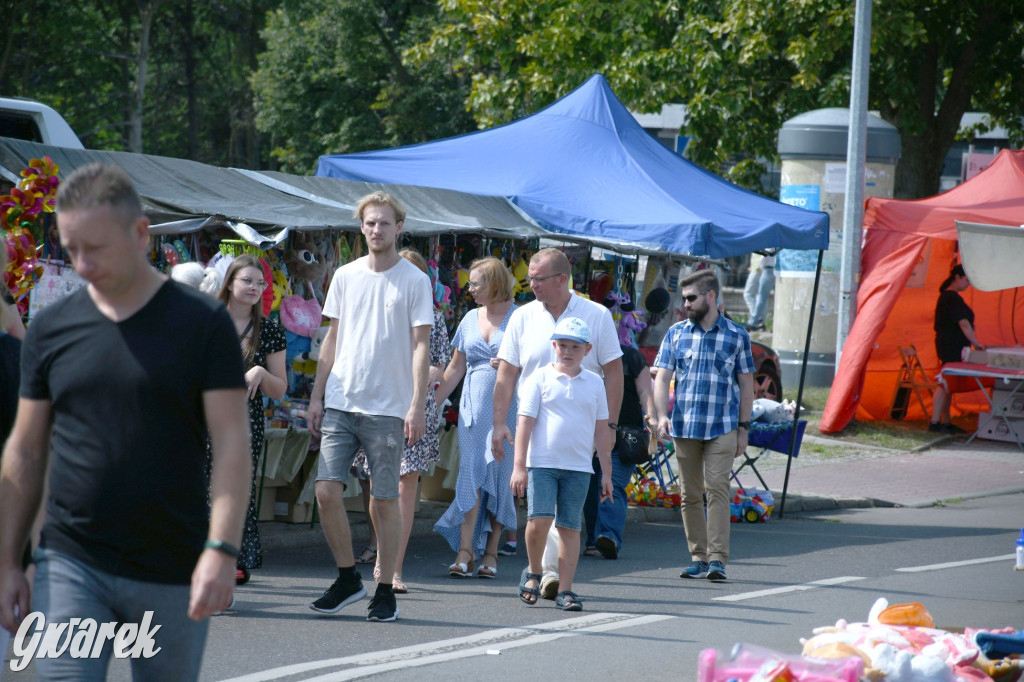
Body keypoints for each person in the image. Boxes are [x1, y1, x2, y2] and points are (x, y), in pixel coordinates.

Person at [0, 163, 251, 680]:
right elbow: (25, 451)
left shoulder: (202, 324)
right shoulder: (51, 328)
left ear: (140, 234)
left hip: (170, 566)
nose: (82, 263)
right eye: (71, 249)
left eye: (96, 247)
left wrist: (222, 549)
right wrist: (8, 559)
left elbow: (231, 443)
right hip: (70, 562)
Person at [306, 191, 432, 623]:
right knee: (326, 490)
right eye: (369, 223)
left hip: (387, 407)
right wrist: (317, 396)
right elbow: (332, 339)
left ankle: (384, 589)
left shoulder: (415, 280)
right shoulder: (344, 275)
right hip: (342, 399)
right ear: (361, 227)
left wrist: (417, 404)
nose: (376, 229)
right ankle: (347, 578)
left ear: (399, 227)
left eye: (384, 222)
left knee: (384, 500)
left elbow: (421, 346)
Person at [492, 247, 622, 600]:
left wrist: (608, 427)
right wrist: (499, 421)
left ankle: (553, 577)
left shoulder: (596, 314)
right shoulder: (523, 317)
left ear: (562, 279)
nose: (530, 284)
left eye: (538, 278)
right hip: (533, 429)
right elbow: (506, 371)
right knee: (540, 514)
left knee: (567, 518)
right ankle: (544, 572)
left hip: (579, 429)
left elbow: (613, 370)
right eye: (530, 277)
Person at [353, 248, 450, 593]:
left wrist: (421, 381)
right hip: (376, 402)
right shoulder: (374, 308)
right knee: (379, 481)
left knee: (405, 484)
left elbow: (441, 363)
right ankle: (381, 552)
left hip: (415, 405)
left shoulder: (433, 317)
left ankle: (393, 566)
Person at [653, 269, 754, 582]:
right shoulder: (676, 333)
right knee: (689, 494)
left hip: (722, 426)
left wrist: (743, 428)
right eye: (684, 299)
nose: (686, 304)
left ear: (711, 296)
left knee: (718, 490)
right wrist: (660, 415)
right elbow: (662, 378)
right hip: (684, 425)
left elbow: (747, 385)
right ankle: (697, 557)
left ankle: (717, 559)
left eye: (691, 298)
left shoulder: (737, 335)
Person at [511, 317, 612, 611]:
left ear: (587, 349)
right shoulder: (539, 378)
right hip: (542, 463)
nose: (568, 352)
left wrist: (606, 473)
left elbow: (601, 428)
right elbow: (525, 422)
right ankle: (533, 571)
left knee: (570, 527)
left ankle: (566, 590)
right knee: (538, 521)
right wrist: (519, 466)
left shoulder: (595, 382)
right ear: (554, 346)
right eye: (563, 345)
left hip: (579, 467)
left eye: (575, 347)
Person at [434, 256, 518, 579]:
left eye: (475, 283)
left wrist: (513, 365)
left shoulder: (519, 317)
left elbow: (538, 362)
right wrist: (434, 404)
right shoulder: (470, 318)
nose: (468, 289)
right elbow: (455, 368)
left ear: (494, 282)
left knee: (499, 475)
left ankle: (493, 550)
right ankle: (465, 551)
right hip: (472, 409)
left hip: (509, 406)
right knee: (470, 473)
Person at [214, 254, 288, 584]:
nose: (255, 288)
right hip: (203, 415)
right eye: (247, 280)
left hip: (246, 421)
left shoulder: (269, 331)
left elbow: (280, 389)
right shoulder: (208, 321)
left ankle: (235, 557)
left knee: (236, 488)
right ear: (229, 283)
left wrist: (259, 371)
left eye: (261, 283)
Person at [583, 342, 654, 559]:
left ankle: (608, 537)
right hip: (588, 431)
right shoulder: (582, 352)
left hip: (624, 436)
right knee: (590, 489)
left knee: (612, 484)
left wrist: (652, 421)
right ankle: (594, 540)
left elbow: (645, 390)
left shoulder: (631, 356)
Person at [929, 264, 985, 434]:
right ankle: (935, 422)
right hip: (951, 345)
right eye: (967, 280)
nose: (968, 284)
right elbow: (963, 323)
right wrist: (976, 342)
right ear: (957, 278)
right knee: (945, 380)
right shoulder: (951, 298)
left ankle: (945, 421)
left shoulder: (949, 297)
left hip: (951, 343)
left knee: (949, 382)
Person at [745, 250, 775, 331]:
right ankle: (759, 320)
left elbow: (764, 255)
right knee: (761, 298)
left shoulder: (768, 242)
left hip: (763, 269)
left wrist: (759, 267)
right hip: (764, 269)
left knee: (752, 295)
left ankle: (755, 320)